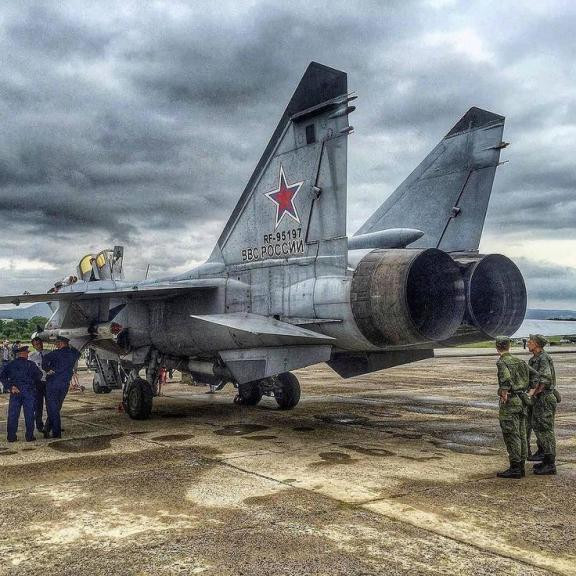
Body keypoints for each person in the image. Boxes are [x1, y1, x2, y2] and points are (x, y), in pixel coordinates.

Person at [495, 336, 530, 479]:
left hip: (511, 402)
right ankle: (521, 466)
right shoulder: (520, 361)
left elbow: (506, 379)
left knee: (511, 435)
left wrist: (503, 393)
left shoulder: (502, 362)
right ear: (509, 345)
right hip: (522, 401)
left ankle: (515, 467)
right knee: (521, 434)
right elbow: (534, 376)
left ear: (497, 347)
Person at [527, 334, 557, 475]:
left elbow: (544, 380)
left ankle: (550, 464)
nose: (528, 344)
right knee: (539, 428)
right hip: (540, 399)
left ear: (537, 344)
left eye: (530, 342)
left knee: (545, 430)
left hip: (544, 399)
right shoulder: (535, 359)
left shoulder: (543, 358)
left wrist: (533, 394)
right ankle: (545, 459)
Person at [0, 345, 42, 442]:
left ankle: (11, 437)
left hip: (15, 391)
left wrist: (10, 386)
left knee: (13, 415)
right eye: (27, 353)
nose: (27, 354)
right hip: (29, 391)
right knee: (29, 414)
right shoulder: (31, 364)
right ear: (23, 354)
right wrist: (32, 383)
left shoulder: (10, 364)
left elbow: (2, 376)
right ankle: (29, 436)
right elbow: (39, 376)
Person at [42, 336, 80, 439]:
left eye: (57, 343)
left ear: (60, 343)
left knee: (53, 408)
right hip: (64, 384)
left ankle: (56, 432)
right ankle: (47, 427)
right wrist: (69, 345)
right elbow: (78, 352)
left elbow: (44, 359)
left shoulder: (55, 353)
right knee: (57, 407)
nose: (56, 344)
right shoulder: (73, 354)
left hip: (53, 383)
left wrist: (47, 369)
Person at [29, 336, 47, 433]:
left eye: (39, 343)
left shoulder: (49, 353)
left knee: (51, 405)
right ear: (33, 346)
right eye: (36, 344)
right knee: (38, 406)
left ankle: (51, 424)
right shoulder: (31, 356)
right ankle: (40, 426)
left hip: (48, 382)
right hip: (38, 383)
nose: (38, 346)